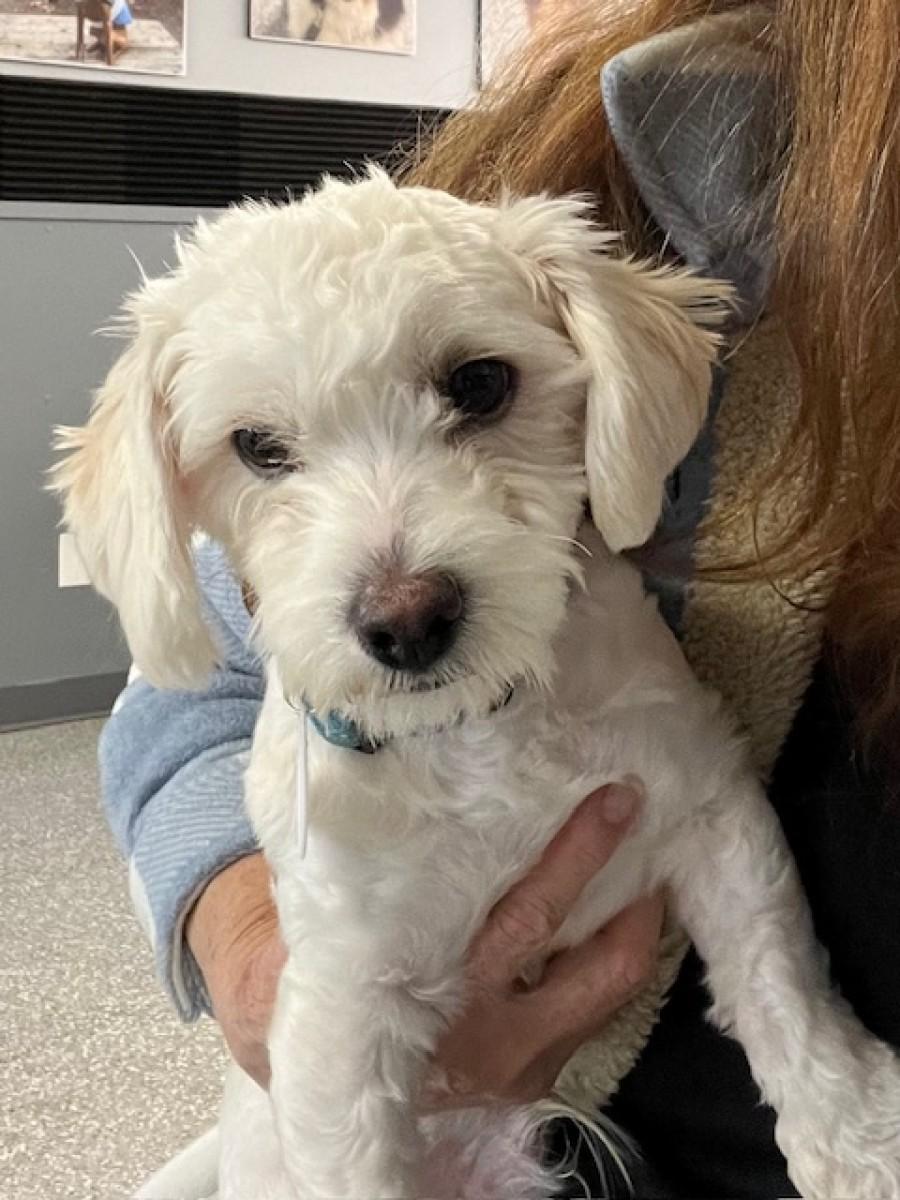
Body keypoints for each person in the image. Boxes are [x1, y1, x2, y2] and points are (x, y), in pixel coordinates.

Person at [99, 0, 900, 1195]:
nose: (399, 586)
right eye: (267, 449)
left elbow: (710, 813)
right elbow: (203, 681)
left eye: (474, 392)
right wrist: (253, 950)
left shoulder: (613, 644)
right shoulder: (569, 159)